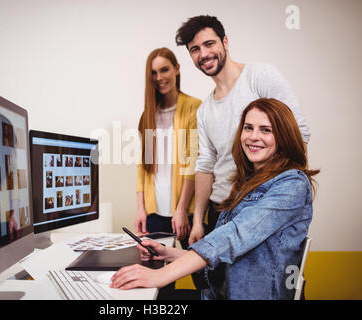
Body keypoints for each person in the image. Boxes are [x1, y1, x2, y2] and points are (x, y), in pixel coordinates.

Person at [111, 98, 320, 300]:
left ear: (284, 136)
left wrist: (158, 276)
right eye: (248, 128)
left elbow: (232, 237)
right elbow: (227, 258)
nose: (253, 136)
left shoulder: (292, 184)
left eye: (266, 130)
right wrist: (168, 253)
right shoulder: (249, 182)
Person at [174, 15, 311, 245]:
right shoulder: (205, 109)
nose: (204, 54)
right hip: (219, 212)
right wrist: (198, 221)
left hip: (258, 207)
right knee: (211, 280)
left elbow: (300, 133)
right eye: (195, 49)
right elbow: (205, 165)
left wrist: (286, 198)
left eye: (209, 44)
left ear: (225, 42)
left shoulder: (260, 77)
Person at [135, 47, 202, 248]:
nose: (159, 77)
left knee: (201, 275)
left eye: (164, 70)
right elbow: (143, 166)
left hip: (185, 210)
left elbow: (192, 163)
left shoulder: (194, 107)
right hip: (154, 212)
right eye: (153, 73)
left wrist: (180, 209)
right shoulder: (148, 114)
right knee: (160, 276)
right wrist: (141, 209)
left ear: (177, 69)